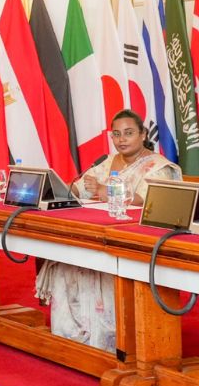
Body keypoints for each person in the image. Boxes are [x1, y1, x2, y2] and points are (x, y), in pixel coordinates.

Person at [36, 109, 181, 352]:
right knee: (66, 259)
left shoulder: (158, 167)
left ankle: (110, 342)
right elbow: (79, 188)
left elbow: (152, 202)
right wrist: (60, 189)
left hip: (139, 241)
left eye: (129, 133)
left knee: (96, 260)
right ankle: (71, 338)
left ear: (143, 134)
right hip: (101, 233)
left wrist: (106, 191)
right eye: (116, 134)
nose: (122, 139)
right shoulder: (108, 162)